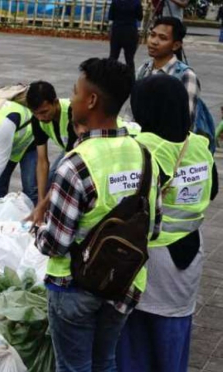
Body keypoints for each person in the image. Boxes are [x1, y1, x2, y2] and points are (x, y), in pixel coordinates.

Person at [35, 58, 162, 371]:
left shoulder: (75, 165)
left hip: (74, 287)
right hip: (125, 284)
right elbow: (154, 229)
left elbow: (56, 244)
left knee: (74, 367)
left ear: (91, 100)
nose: (72, 98)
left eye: (75, 91)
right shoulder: (146, 155)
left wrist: (38, 229)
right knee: (105, 361)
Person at [116, 75, 217, 372]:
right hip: (190, 253)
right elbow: (212, 191)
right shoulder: (199, 145)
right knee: (175, 333)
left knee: (135, 340)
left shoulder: (142, 147)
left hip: (150, 258)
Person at [24, 81, 78, 224]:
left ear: (55, 102)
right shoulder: (37, 120)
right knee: (48, 186)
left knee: (63, 185)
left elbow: (70, 166)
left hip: (83, 150)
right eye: (36, 113)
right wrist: (41, 202)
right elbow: (42, 161)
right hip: (69, 149)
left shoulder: (74, 115)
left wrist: (43, 206)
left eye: (44, 112)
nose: (41, 117)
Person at [137, 17, 198, 124]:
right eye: (152, 35)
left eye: (162, 38)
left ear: (176, 45)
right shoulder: (143, 70)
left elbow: (186, 121)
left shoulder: (186, 76)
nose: (154, 42)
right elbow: (131, 113)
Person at [108, 0, 143, 73]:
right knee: (129, 59)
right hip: (130, 31)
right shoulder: (136, 2)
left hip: (117, 30)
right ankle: (131, 79)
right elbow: (140, 17)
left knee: (113, 56)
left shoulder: (115, 1)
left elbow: (111, 16)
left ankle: (109, 76)